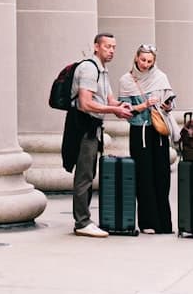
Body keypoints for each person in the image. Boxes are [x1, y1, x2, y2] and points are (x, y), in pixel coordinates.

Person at [65, 33, 132, 238]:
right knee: (84, 175)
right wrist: (114, 111)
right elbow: (85, 104)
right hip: (83, 126)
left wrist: (121, 106)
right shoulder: (88, 69)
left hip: (94, 126)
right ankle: (82, 222)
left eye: (113, 47)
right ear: (96, 47)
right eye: (107, 47)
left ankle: (84, 220)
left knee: (89, 173)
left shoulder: (102, 71)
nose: (111, 51)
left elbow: (109, 99)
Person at [118, 44, 175, 235]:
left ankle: (164, 223)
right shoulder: (126, 80)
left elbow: (171, 101)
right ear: (136, 58)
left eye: (149, 61)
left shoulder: (161, 77)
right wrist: (143, 105)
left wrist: (166, 105)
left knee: (162, 175)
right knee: (144, 176)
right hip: (139, 131)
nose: (145, 64)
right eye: (143, 60)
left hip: (158, 131)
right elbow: (124, 111)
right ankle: (147, 222)